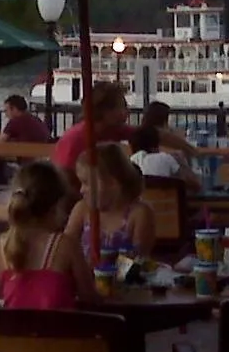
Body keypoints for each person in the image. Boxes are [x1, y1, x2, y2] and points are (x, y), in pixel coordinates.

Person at [0, 162, 98, 309]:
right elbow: (89, 297)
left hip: (11, 331)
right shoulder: (66, 245)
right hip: (60, 331)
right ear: (56, 207)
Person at [53, 81, 195, 187]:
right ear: (106, 111)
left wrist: (192, 150)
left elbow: (154, 134)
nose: (127, 111)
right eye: (122, 106)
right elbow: (65, 180)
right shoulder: (77, 138)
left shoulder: (111, 130)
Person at [65, 142, 156, 262]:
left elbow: (140, 258)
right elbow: (65, 246)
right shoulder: (82, 209)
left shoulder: (139, 213)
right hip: (84, 277)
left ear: (112, 183)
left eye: (86, 183)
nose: (81, 190)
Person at [129, 125, 201, 192]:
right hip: (170, 204)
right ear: (155, 145)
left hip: (144, 204)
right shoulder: (165, 159)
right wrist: (181, 161)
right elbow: (196, 186)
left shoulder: (131, 162)